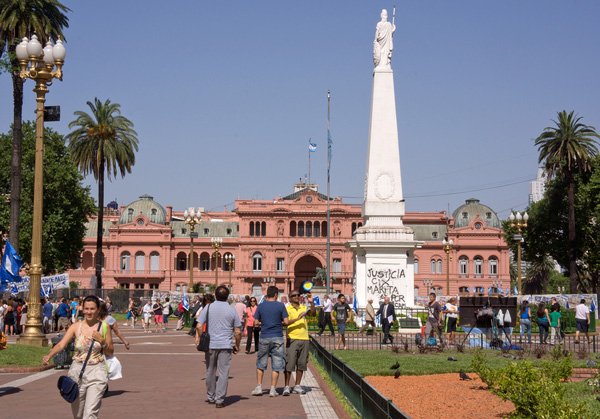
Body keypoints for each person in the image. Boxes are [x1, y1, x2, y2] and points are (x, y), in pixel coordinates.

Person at [43, 295, 113, 419]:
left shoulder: (104, 327)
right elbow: (61, 344)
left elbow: (110, 352)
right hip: (77, 372)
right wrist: (49, 355)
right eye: (86, 309)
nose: (89, 312)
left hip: (97, 371)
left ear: (98, 310)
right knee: (78, 414)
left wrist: (102, 341)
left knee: (90, 414)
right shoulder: (76, 327)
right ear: (82, 309)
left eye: (92, 309)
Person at [195, 286, 242, 408]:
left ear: (215, 295)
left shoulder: (209, 307)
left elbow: (199, 326)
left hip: (210, 344)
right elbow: (237, 332)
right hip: (226, 345)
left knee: (210, 371)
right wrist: (237, 345)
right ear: (228, 296)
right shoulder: (232, 310)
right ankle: (219, 399)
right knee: (223, 372)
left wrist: (201, 338)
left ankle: (210, 396)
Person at [251, 285, 290, 397]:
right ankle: (273, 389)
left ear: (267, 294)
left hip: (264, 336)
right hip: (277, 336)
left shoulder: (261, 306)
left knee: (261, 363)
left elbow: (255, 322)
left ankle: (259, 387)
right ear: (276, 295)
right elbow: (286, 322)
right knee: (277, 363)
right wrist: (279, 322)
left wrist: (263, 323)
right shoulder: (281, 305)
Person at [283, 291, 315, 396]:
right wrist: (297, 319)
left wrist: (311, 303)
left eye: (298, 295)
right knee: (289, 363)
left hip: (304, 338)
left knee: (301, 363)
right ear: (289, 298)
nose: (297, 296)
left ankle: (297, 385)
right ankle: (287, 386)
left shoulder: (303, 308)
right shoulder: (287, 309)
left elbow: (313, 314)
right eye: (294, 295)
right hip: (292, 338)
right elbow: (284, 322)